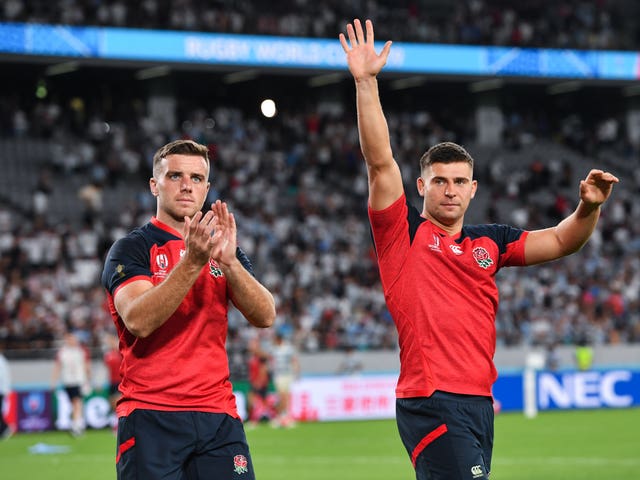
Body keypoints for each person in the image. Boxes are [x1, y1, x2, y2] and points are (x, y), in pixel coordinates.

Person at [339, 19, 619, 480]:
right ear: (422, 186)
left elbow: (563, 240)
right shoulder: (401, 232)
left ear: (473, 189)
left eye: (459, 182)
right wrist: (366, 82)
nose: (449, 191)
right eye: (440, 182)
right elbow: (379, 160)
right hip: (431, 398)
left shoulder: (491, 241)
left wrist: (587, 209)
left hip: (478, 401)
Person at [101, 139, 275, 480]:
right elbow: (138, 320)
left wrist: (231, 264)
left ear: (207, 188)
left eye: (196, 178)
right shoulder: (131, 248)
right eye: (175, 175)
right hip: (152, 414)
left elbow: (265, 315)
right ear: (154, 184)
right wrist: (193, 263)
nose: (186, 185)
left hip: (218, 417)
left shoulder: (222, 250)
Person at [51, 330, 91, 437]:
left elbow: (86, 366)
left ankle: (76, 425)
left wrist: (88, 380)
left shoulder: (81, 351)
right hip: (67, 381)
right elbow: (57, 367)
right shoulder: (62, 352)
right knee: (74, 403)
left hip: (78, 380)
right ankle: (77, 423)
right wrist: (54, 381)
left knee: (77, 401)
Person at [269, 332, 299, 428]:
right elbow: (272, 362)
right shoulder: (274, 349)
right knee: (282, 396)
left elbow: (293, 360)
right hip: (279, 375)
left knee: (285, 397)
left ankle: (284, 417)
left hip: (287, 375)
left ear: (279, 339)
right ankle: (281, 417)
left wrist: (296, 372)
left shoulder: (288, 348)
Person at [102, 332, 123, 431]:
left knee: (117, 403)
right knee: (112, 404)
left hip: (120, 381)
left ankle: (118, 425)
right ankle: (116, 423)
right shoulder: (108, 355)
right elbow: (105, 369)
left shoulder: (121, 353)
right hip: (111, 382)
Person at [0, 346, 12, 438]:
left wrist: (5, 390)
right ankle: (4, 428)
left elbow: (4, 377)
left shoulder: (1, 361)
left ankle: (6, 427)